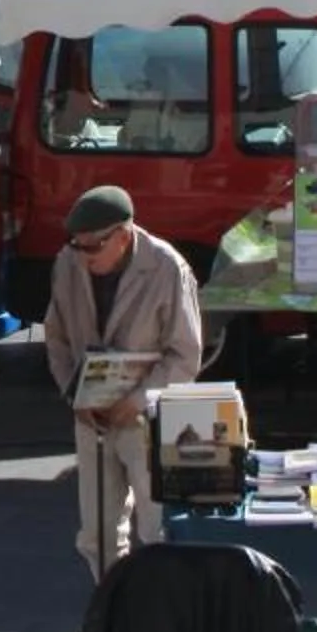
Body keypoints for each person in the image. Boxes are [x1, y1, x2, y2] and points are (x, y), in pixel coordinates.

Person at [45, 187, 203, 581]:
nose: (84, 256)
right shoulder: (68, 262)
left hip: (145, 418)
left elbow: (185, 354)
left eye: (93, 247)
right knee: (97, 531)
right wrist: (73, 394)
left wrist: (137, 399)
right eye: (77, 246)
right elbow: (57, 337)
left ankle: (157, 616)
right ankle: (110, 612)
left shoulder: (167, 267)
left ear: (123, 234)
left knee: (157, 528)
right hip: (91, 415)